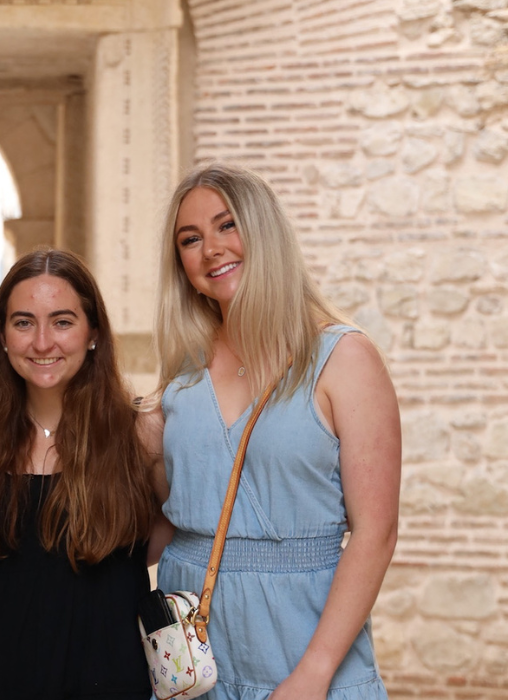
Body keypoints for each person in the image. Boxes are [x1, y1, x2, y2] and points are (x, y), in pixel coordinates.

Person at [144, 162, 400, 699]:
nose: (210, 248)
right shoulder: (183, 372)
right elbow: (166, 520)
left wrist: (314, 673)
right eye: (190, 239)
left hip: (303, 655)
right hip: (194, 664)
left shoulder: (344, 358)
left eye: (227, 225)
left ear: (264, 231)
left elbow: (375, 533)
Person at [0, 248, 155, 700]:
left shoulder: (139, 432)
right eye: (23, 323)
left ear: (93, 332)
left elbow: (169, 531)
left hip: (106, 676)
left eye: (62, 322)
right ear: (1, 334)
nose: (42, 343)